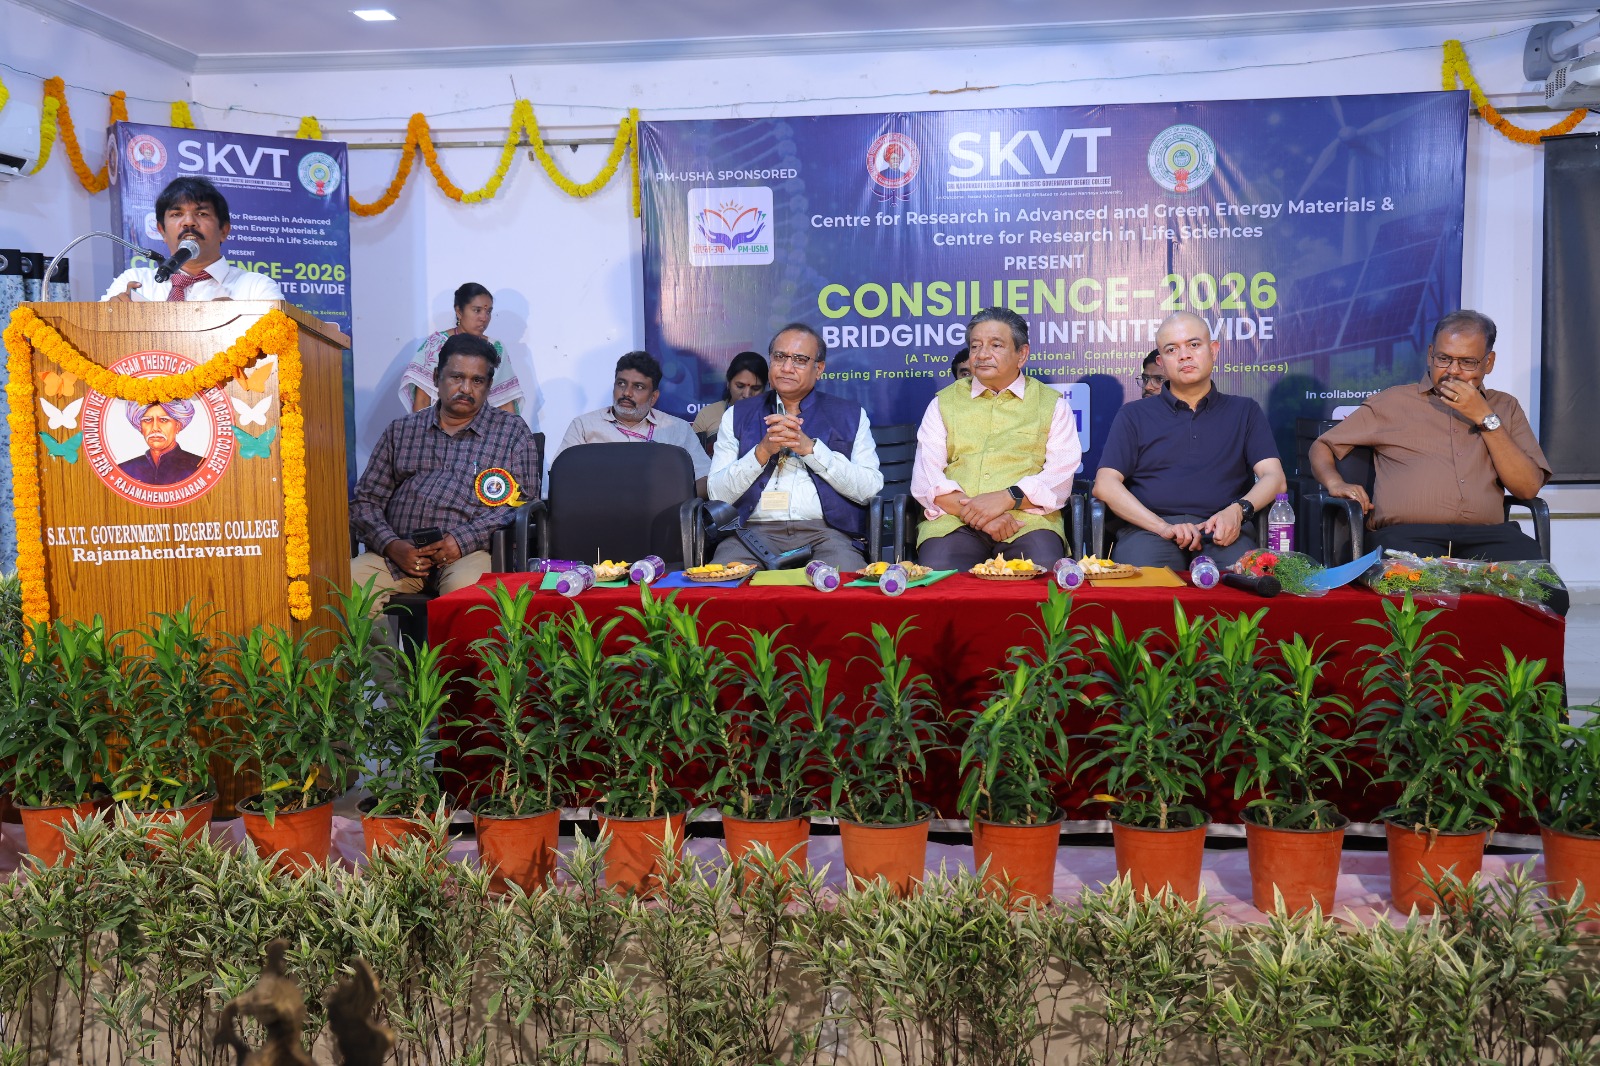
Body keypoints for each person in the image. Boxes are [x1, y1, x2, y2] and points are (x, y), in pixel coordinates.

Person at [1309, 309, 1552, 564]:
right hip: (1408, 537)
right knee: (1415, 580)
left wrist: (1484, 417)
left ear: (1488, 362)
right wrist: (1335, 483)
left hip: (1489, 538)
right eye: (1444, 359)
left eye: (1467, 362)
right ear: (1430, 355)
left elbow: (1527, 488)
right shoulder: (1392, 402)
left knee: (1538, 583)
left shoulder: (1505, 407)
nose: (1453, 371)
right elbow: (1322, 446)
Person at [350, 333, 541, 610]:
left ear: (489, 386)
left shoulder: (511, 431)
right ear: (437, 377)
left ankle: (452, 644)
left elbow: (522, 501)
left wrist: (460, 541)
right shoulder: (402, 430)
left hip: (470, 554)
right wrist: (391, 545)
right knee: (349, 583)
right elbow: (366, 501)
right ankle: (387, 644)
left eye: (477, 381)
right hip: (398, 555)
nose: (466, 388)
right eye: (456, 377)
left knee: (465, 594)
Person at [1094, 311, 1286, 569]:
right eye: (1172, 349)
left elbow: (1274, 477)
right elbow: (1105, 485)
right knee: (1142, 581)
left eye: (1194, 345)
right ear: (1161, 362)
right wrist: (1162, 527)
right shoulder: (1133, 415)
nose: (1184, 355)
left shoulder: (1244, 411)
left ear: (1213, 350)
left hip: (1223, 529)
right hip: (1149, 531)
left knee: (1242, 580)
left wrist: (1238, 510)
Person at [911, 307, 1082, 570]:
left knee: (1041, 570)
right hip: (955, 522)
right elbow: (927, 479)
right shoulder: (943, 403)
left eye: (996, 345)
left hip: (1027, 522)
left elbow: (1059, 480)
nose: (982, 355)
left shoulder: (1053, 405)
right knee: (941, 572)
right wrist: (983, 517)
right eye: (975, 346)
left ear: (1021, 354)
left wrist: (1008, 497)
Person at [708, 323, 883, 570]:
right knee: (722, 583)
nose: (787, 368)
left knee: (842, 584)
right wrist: (761, 452)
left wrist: (812, 450)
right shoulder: (737, 415)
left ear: (818, 368)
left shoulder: (850, 415)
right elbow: (717, 494)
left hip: (827, 534)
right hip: (751, 535)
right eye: (780, 357)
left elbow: (869, 489)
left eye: (800, 360)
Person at [103, 176, 285, 302]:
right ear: (162, 231)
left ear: (224, 230)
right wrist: (113, 316)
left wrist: (238, 323)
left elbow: (283, 343)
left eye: (202, 213)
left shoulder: (256, 289)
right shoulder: (134, 283)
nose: (189, 222)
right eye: (177, 214)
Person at [557, 350, 710, 494]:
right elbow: (561, 477)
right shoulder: (584, 426)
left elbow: (705, 479)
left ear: (653, 397)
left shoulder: (678, 429)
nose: (626, 393)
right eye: (621, 383)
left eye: (638, 387)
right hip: (597, 508)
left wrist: (671, 498)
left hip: (662, 509)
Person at [396, 282, 525, 415]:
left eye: (488, 311)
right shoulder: (436, 344)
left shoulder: (496, 348)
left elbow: (505, 401)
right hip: (441, 424)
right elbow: (422, 400)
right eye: (477, 310)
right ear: (459, 311)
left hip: (484, 425)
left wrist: (514, 428)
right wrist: (423, 428)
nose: (484, 318)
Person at [691, 351, 768, 454]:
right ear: (728, 382)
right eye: (740, 386)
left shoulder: (772, 417)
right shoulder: (707, 415)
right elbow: (693, 458)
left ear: (765, 388)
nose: (747, 394)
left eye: (756, 388)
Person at [119, 399, 204, 485]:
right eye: (147, 420)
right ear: (140, 427)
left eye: (164, 420)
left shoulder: (201, 467)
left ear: (178, 426)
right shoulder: (124, 470)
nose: (155, 428)